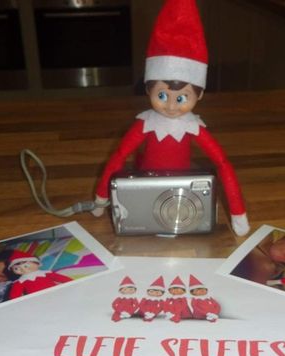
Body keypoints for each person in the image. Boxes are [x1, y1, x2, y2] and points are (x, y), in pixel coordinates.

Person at [90, 0, 249, 236]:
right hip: (145, 190)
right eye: (162, 95)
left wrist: (238, 212)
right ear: (147, 89)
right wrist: (103, 196)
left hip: (181, 198)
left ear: (200, 94)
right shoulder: (145, 124)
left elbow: (223, 164)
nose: (171, 106)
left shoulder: (193, 127)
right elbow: (119, 156)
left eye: (182, 98)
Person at [7, 250, 72, 299]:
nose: (23, 270)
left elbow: (63, 279)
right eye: (16, 269)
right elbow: (14, 295)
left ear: (37, 263)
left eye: (26, 266)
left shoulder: (46, 273)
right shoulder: (20, 281)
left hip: (55, 293)